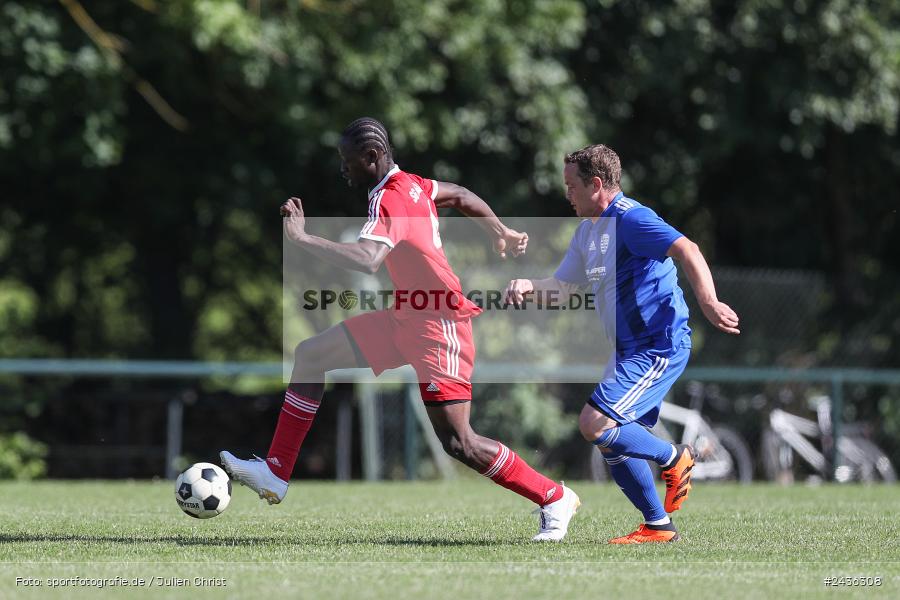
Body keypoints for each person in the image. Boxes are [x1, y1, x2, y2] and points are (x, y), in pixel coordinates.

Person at [221, 117, 580, 541]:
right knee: (311, 354)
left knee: (460, 443)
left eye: (348, 161)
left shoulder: (390, 199)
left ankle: (554, 496)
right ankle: (276, 472)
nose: (344, 169)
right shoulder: (414, 185)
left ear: (371, 157)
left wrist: (301, 239)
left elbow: (368, 258)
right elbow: (461, 196)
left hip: (439, 324)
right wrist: (497, 230)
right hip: (405, 317)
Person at [505, 144, 739, 543]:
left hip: (658, 345)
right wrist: (529, 286)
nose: (567, 195)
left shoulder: (631, 220)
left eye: (571, 186)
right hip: (628, 351)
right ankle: (658, 526)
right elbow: (562, 289)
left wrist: (709, 301)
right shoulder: (587, 233)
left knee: (594, 422)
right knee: (615, 443)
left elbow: (688, 249)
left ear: (596, 184)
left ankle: (675, 457)